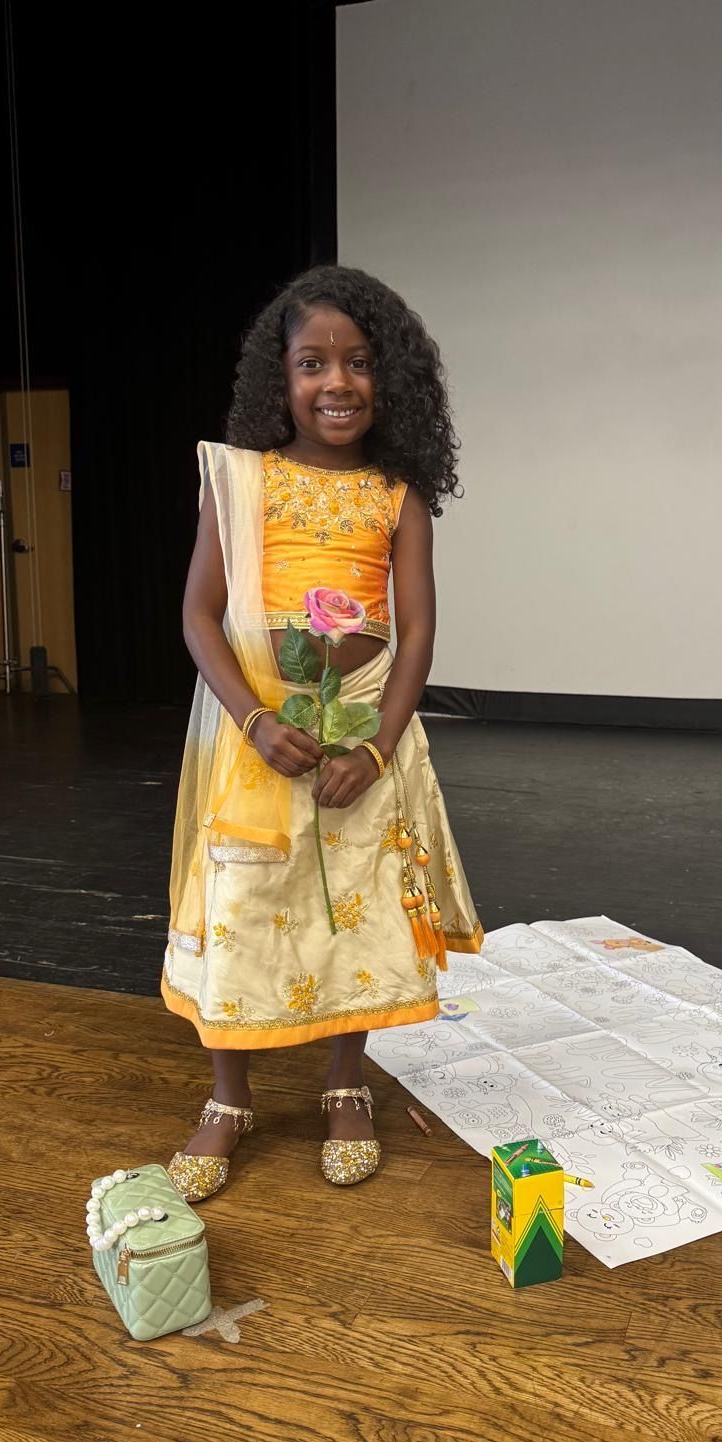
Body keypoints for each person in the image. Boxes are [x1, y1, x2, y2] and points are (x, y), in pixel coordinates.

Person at [161, 265, 484, 1201]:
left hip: (362, 740)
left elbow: (417, 629)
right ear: (280, 381)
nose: (336, 382)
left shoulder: (397, 493)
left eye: (358, 363)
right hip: (259, 740)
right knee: (243, 909)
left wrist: (377, 746)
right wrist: (257, 720)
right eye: (312, 364)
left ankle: (347, 1083)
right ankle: (230, 1098)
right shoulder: (240, 482)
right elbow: (198, 616)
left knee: (357, 905)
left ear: (393, 382)